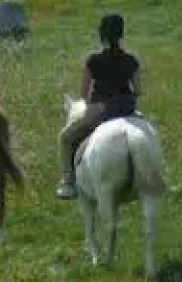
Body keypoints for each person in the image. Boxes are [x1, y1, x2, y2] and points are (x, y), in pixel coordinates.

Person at [56, 12, 142, 200]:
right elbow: (138, 90)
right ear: (121, 34)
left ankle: (68, 182)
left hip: (102, 109)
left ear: (101, 34)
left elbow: (83, 93)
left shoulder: (93, 60)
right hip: (127, 108)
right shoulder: (132, 60)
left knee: (65, 137)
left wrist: (93, 102)